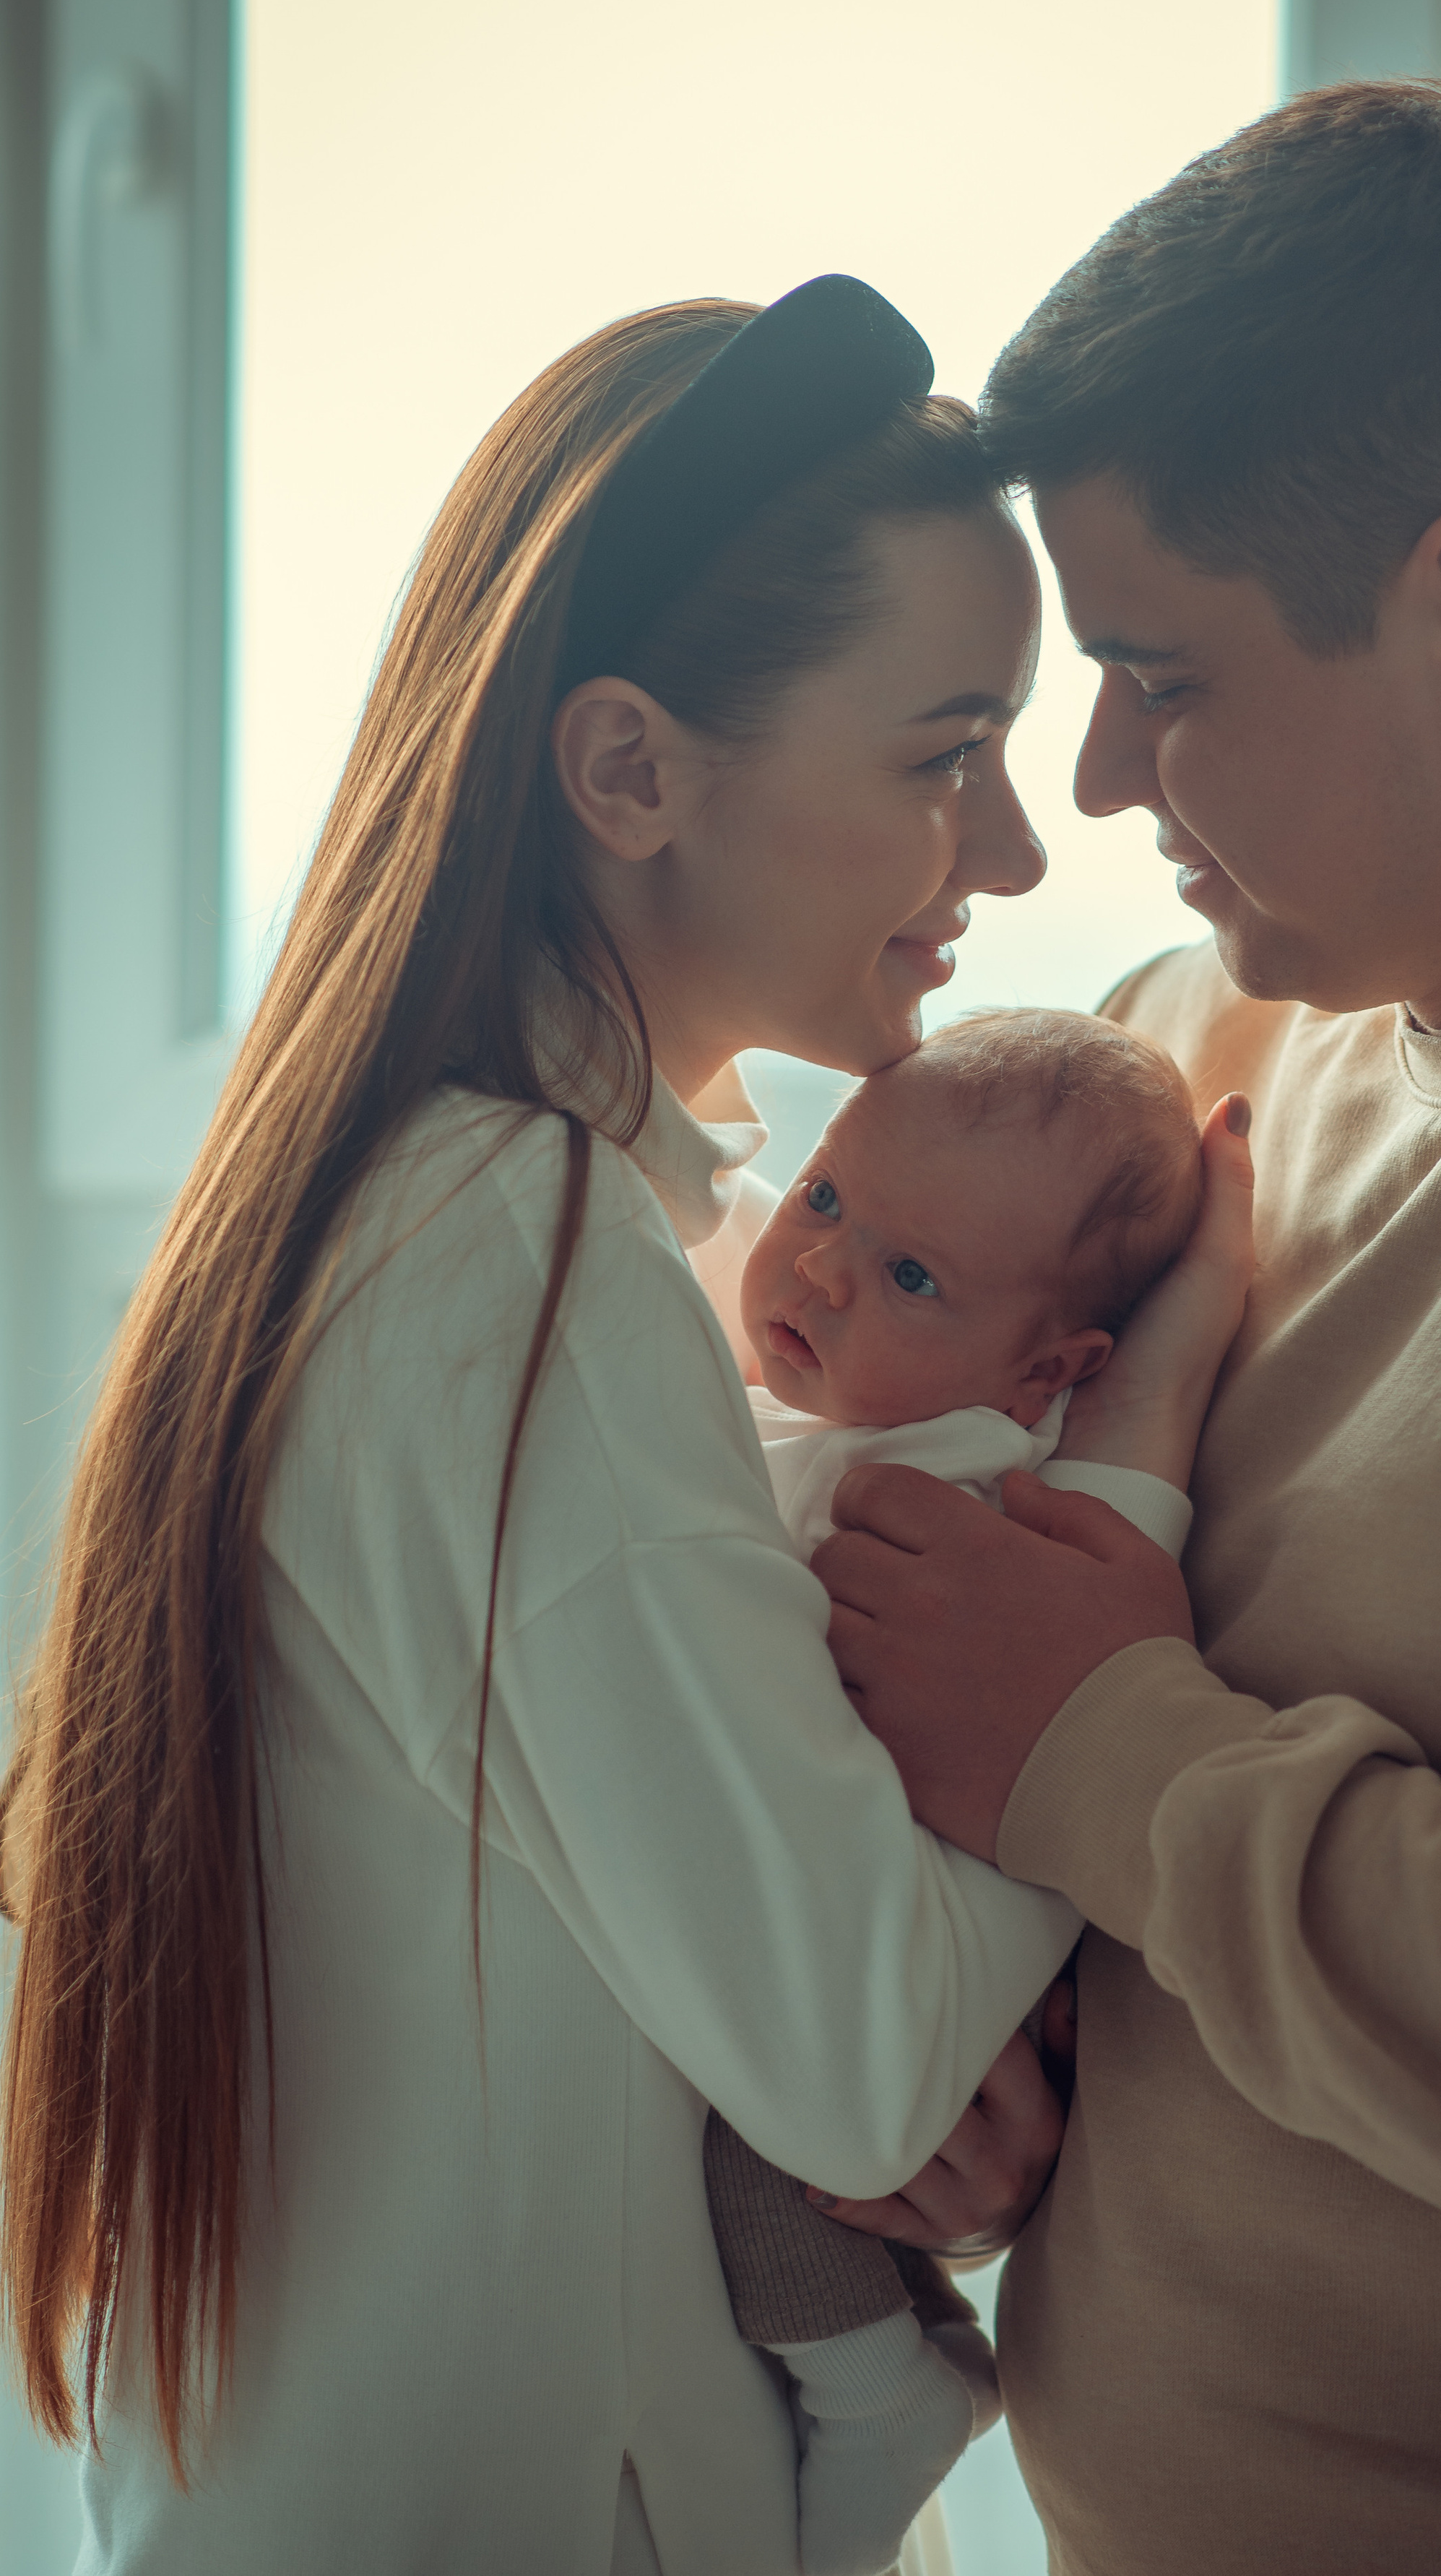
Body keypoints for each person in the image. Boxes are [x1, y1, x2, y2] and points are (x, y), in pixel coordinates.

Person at [815, 85, 1441, 2575]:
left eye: (1160, 674)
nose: (1087, 774)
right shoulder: (1194, 1041)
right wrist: (950, 2053)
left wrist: (1120, 1770)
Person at [0, 277, 1094, 2576]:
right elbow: (864, 2052)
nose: (1006, 851)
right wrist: (1134, 1533)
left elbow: (734, 2004)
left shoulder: (436, 1205)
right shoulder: (521, 1262)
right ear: (627, 773)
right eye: (939, 752)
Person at [701, 1008, 1252, 2576]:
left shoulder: (987, 1464)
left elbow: (1117, 1535)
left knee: (763, 2159)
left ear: (1047, 1369)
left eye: (909, 1277)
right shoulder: (817, 1398)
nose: (815, 1273)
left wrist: (1185, 1341)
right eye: (822, 1202)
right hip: (844, 1919)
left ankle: (875, 2387)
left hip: (935, 1944)